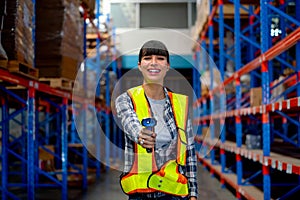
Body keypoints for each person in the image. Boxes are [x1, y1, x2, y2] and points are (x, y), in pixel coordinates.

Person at [115, 40, 198, 200]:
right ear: (140, 65)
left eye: (160, 58)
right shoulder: (126, 99)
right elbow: (130, 122)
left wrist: (193, 193)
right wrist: (141, 134)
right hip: (141, 193)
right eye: (148, 58)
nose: (154, 63)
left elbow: (190, 152)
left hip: (174, 192)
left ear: (167, 66)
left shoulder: (181, 104)